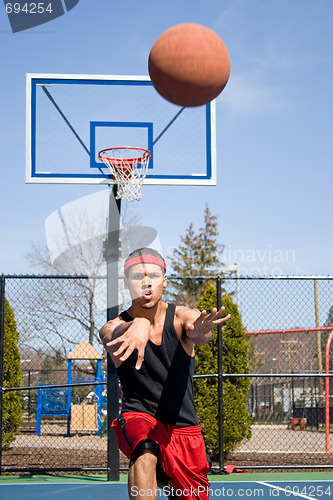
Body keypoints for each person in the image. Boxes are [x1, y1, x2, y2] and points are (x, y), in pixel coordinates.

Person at [99, 248, 230, 500]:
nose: (146, 283)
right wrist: (138, 324)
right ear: (126, 283)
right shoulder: (114, 326)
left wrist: (200, 332)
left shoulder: (182, 318)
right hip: (141, 416)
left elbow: (199, 331)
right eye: (137, 277)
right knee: (144, 449)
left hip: (184, 431)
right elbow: (109, 334)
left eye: (153, 276)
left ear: (164, 281)